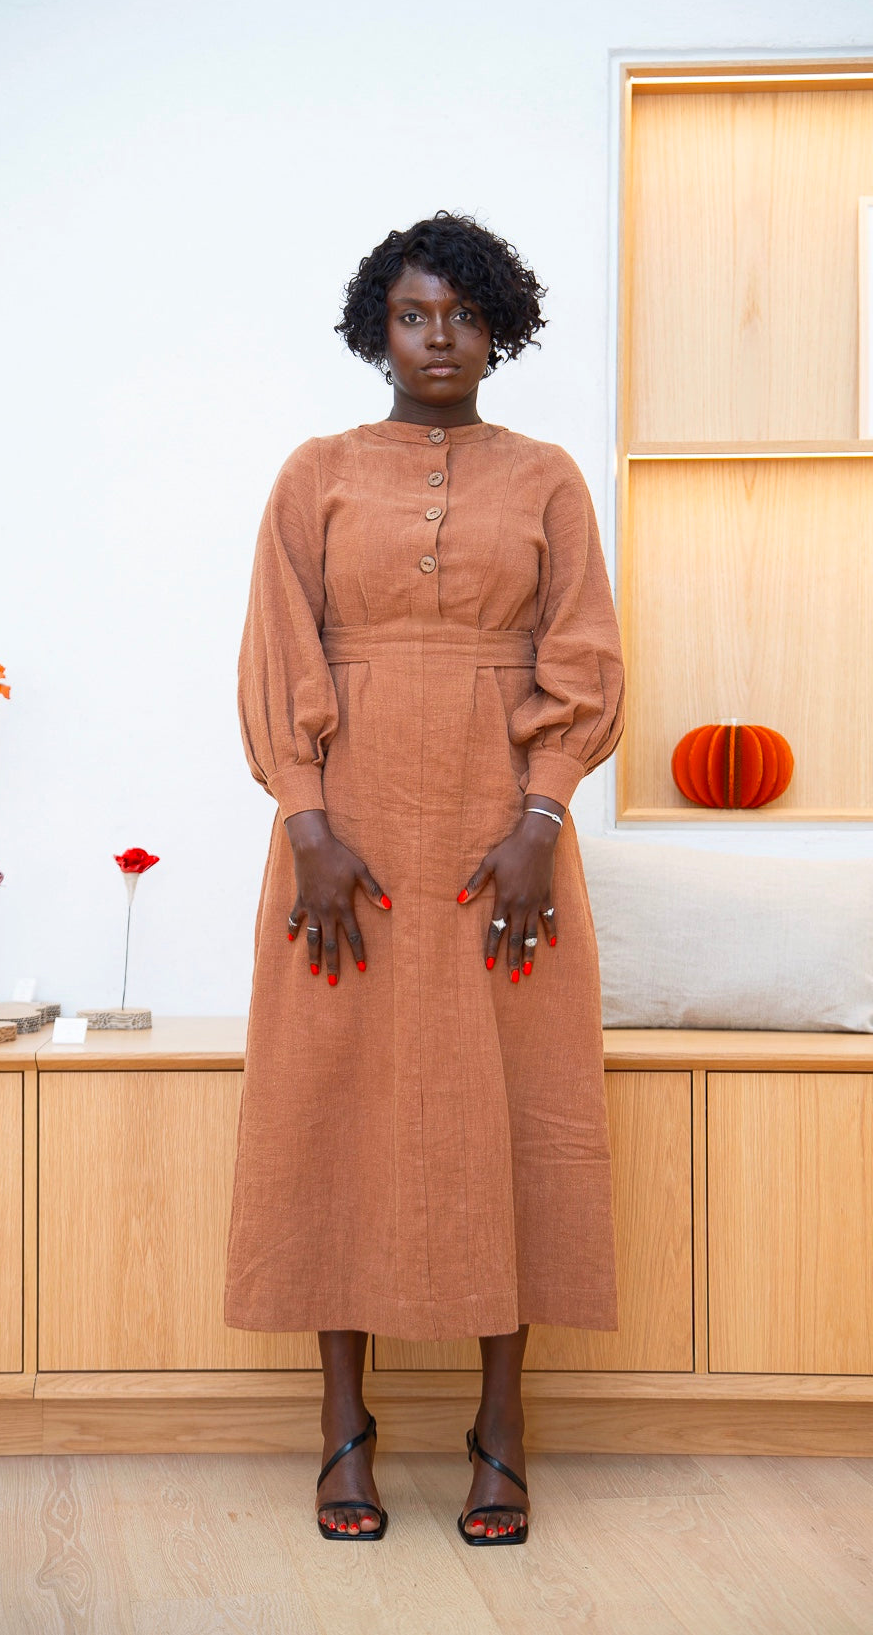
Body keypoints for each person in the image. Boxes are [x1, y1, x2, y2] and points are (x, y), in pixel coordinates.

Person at [224, 211, 626, 1545]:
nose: (438, 338)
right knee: (331, 1098)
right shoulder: (316, 473)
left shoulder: (549, 479)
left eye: (461, 315)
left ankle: (502, 1428)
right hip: (341, 848)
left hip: (504, 845)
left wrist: (542, 815)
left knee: (516, 1101)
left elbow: (585, 656)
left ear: (498, 329)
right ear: (376, 331)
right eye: (413, 315)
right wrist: (307, 825)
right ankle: (343, 1427)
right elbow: (277, 651)